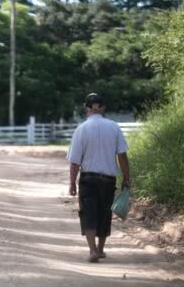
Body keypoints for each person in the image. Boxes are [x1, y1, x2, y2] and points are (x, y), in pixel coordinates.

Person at [66, 93, 130, 263]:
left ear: (85, 108)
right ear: (102, 108)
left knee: (88, 214)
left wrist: (72, 183)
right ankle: (101, 249)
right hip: (108, 179)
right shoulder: (114, 127)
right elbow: (122, 156)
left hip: (88, 179)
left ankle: (93, 250)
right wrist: (126, 178)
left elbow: (74, 162)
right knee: (104, 214)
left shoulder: (81, 130)